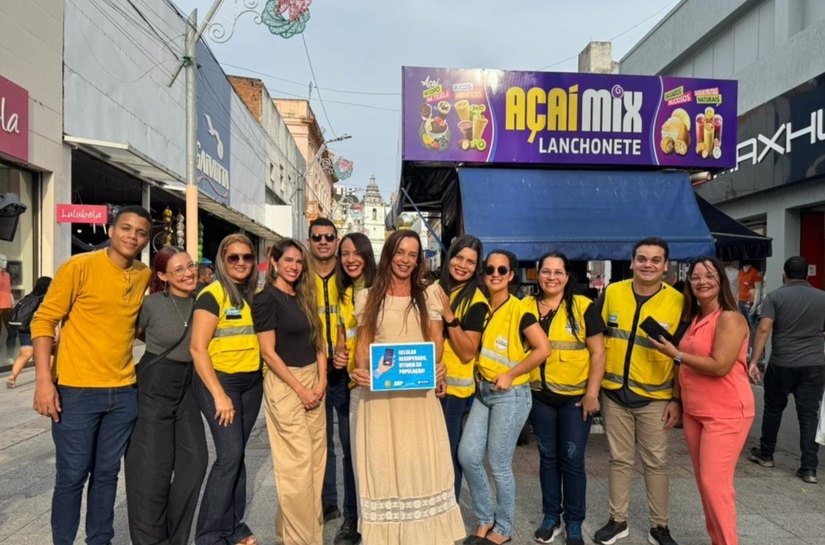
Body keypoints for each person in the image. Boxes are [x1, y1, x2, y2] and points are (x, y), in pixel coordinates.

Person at [30, 205, 152, 545]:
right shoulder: (79, 266)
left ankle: (100, 540)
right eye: (126, 228)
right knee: (71, 476)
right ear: (110, 230)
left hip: (124, 392)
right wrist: (43, 382)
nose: (133, 236)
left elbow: (131, 323)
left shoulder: (142, 273)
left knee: (107, 475)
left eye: (141, 232)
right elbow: (43, 321)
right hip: (77, 391)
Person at [350, 229, 464, 545]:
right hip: (381, 397)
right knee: (385, 463)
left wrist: (437, 366)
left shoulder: (429, 295)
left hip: (419, 395)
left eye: (413, 254)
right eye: (401, 252)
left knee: (421, 461)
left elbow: (436, 340)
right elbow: (364, 344)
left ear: (419, 260)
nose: (406, 260)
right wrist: (361, 370)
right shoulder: (367, 296)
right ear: (389, 254)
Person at [650, 256, 754, 545]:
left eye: (709, 276)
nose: (702, 282)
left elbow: (720, 365)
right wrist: (677, 400)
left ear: (720, 280)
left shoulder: (730, 318)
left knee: (714, 484)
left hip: (727, 412)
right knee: (706, 484)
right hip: (696, 412)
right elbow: (684, 369)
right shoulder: (696, 318)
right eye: (695, 277)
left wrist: (676, 354)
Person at [593, 237, 682, 545]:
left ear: (666, 266)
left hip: (655, 397)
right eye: (642, 258)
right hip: (614, 393)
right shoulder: (612, 292)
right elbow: (595, 339)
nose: (648, 264)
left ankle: (660, 526)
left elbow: (682, 355)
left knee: (656, 462)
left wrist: (676, 399)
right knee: (619, 460)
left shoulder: (678, 301)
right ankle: (618, 521)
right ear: (631, 262)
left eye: (656, 260)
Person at [458, 250, 551, 545]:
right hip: (484, 392)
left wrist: (511, 373)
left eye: (502, 270)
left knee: (499, 463)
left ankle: (504, 527)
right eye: (489, 270)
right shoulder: (481, 306)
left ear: (512, 275)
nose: (495, 275)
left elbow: (543, 348)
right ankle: (485, 518)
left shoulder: (519, 309)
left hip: (510, 394)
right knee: (468, 454)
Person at [125, 246, 207, 545]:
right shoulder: (152, 304)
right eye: (178, 270)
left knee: (195, 461)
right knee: (150, 471)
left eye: (190, 266)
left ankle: (175, 539)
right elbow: (130, 331)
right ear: (162, 276)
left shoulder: (205, 299)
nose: (188, 273)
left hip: (188, 387)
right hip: (155, 383)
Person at [527, 252, 606, 545]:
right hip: (540, 397)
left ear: (567, 276)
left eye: (558, 272)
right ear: (538, 275)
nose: (551, 277)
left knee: (572, 459)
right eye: (546, 271)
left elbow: (598, 352)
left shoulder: (584, 307)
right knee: (548, 458)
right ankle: (551, 517)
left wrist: (592, 394)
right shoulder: (526, 306)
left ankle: (574, 522)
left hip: (576, 400)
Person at [253, 238, 327, 545]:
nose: (294, 266)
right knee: (296, 468)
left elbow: (318, 341)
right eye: (289, 261)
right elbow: (268, 353)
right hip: (287, 384)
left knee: (315, 466)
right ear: (274, 262)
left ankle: (295, 534)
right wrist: (300, 389)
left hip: (314, 381)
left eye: (299, 261)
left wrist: (321, 381)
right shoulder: (265, 299)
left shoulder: (304, 295)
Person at [190, 234, 262, 545]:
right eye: (234, 258)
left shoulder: (253, 294)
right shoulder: (212, 294)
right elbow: (197, 349)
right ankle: (209, 535)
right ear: (222, 259)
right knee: (229, 456)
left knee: (237, 455)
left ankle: (233, 527)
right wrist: (220, 395)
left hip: (250, 382)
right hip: (221, 382)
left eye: (247, 257)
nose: (241, 263)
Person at [748, 256, 825, 484]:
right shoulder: (822, 297)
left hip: (782, 363)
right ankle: (809, 468)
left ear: (784, 273)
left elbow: (763, 329)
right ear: (807, 275)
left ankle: (767, 454)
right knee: (809, 415)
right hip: (814, 365)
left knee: (773, 409)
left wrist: (754, 361)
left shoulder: (775, 297)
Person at [308, 218, 354, 537]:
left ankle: (353, 509)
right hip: (315, 370)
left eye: (329, 237)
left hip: (348, 371)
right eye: (317, 237)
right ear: (309, 240)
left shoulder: (349, 275)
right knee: (321, 442)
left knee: (351, 442)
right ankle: (328, 502)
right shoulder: (301, 276)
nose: (323, 241)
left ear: (336, 240)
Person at [434, 235, 489, 501]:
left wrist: (448, 314)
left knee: (447, 452)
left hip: (453, 392)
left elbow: (468, 352)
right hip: (425, 384)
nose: (463, 265)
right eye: (459, 257)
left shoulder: (477, 301)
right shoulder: (434, 288)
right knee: (429, 451)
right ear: (449, 256)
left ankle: (449, 509)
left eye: (471, 262)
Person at [332, 232, 376, 541]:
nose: (350, 258)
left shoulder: (380, 290)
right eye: (345, 253)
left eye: (356, 252)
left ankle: (376, 516)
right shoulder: (341, 292)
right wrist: (338, 353)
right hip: (350, 384)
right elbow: (341, 333)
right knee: (350, 452)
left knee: (377, 453)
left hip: (379, 385)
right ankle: (352, 517)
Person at [5, 276, 52, 388]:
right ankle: (49, 378)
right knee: (48, 352)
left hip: (25, 329)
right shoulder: (44, 298)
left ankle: (12, 377)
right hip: (38, 328)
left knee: (25, 353)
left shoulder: (29, 296)